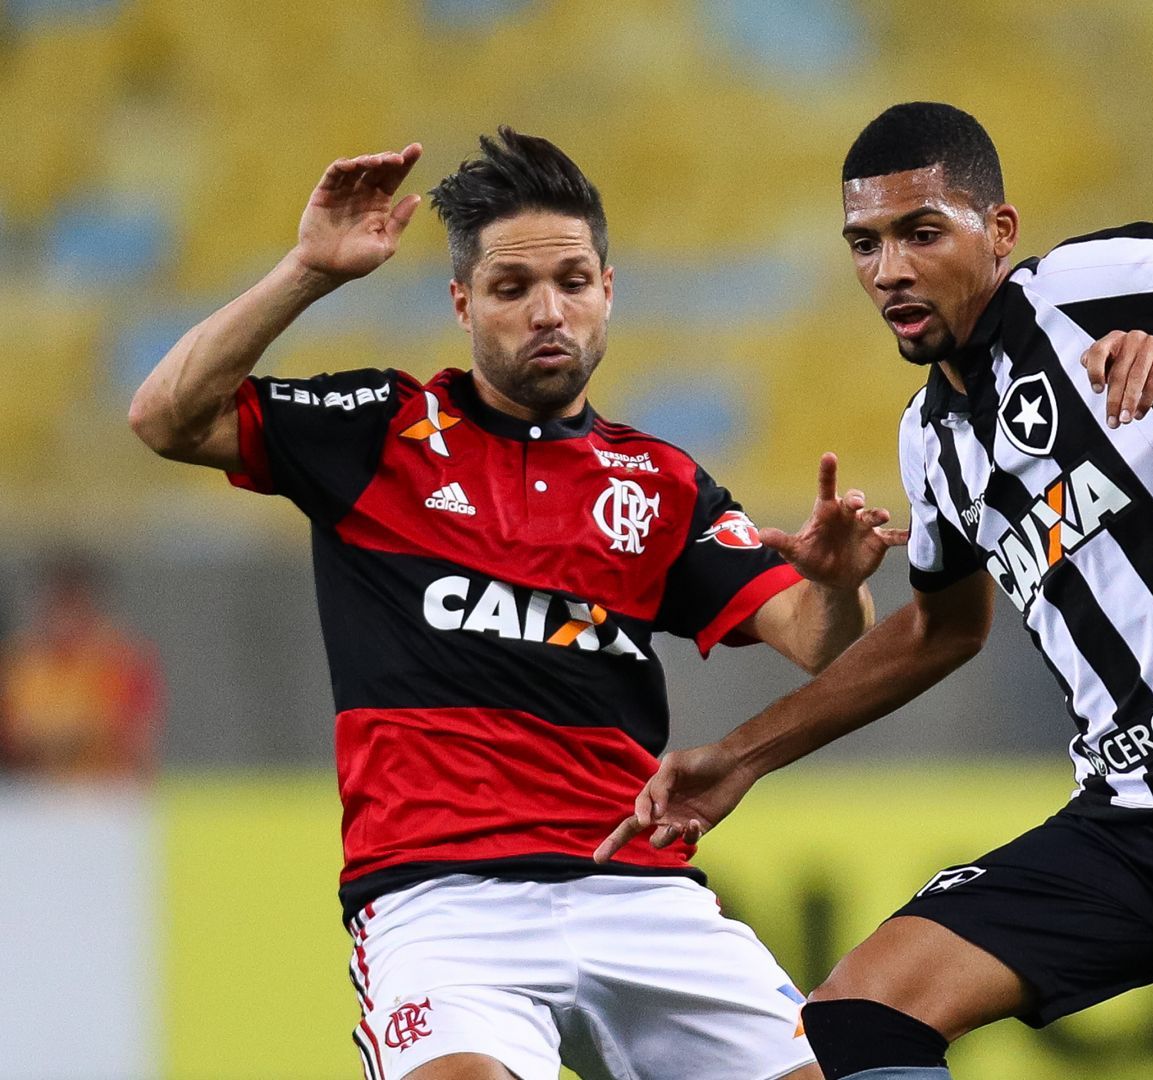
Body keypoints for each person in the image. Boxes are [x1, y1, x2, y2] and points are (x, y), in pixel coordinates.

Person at [599, 102, 1153, 1079]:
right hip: (1130, 825)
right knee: (861, 1011)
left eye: (920, 232)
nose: (889, 270)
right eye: (865, 243)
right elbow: (941, 631)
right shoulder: (929, 440)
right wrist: (741, 756)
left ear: (1000, 231)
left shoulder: (1077, 291)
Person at [129, 128, 904, 1080]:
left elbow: (822, 644)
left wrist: (836, 581)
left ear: (607, 290)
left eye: (573, 283)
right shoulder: (380, 432)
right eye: (512, 288)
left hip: (637, 889)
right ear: (463, 302)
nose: (548, 312)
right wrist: (309, 271)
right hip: (441, 898)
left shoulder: (661, 483)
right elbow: (164, 417)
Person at [0, 553, 163, 782]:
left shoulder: (118, 659)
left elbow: (126, 734)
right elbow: (13, 736)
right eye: (55, 606)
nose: (64, 619)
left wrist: (60, 739)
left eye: (72, 606)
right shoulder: (19, 661)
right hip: (29, 791)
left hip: (104, 789)